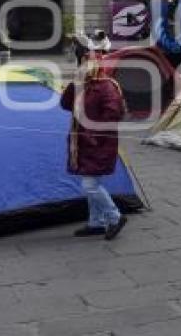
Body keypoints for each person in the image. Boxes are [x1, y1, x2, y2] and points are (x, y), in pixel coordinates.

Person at [59, 57, 128, 240]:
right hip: (82, 143)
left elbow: (113, 115)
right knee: (93, 184)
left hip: (99, 143)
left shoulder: (107, 87)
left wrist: (93, 135)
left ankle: (115, 217)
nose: (83, 69)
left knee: (90, 185)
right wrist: (73, 85)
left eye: (87, 66)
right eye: (82, 66)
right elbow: (65, 104)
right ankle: (96, 222)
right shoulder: (82, 85)